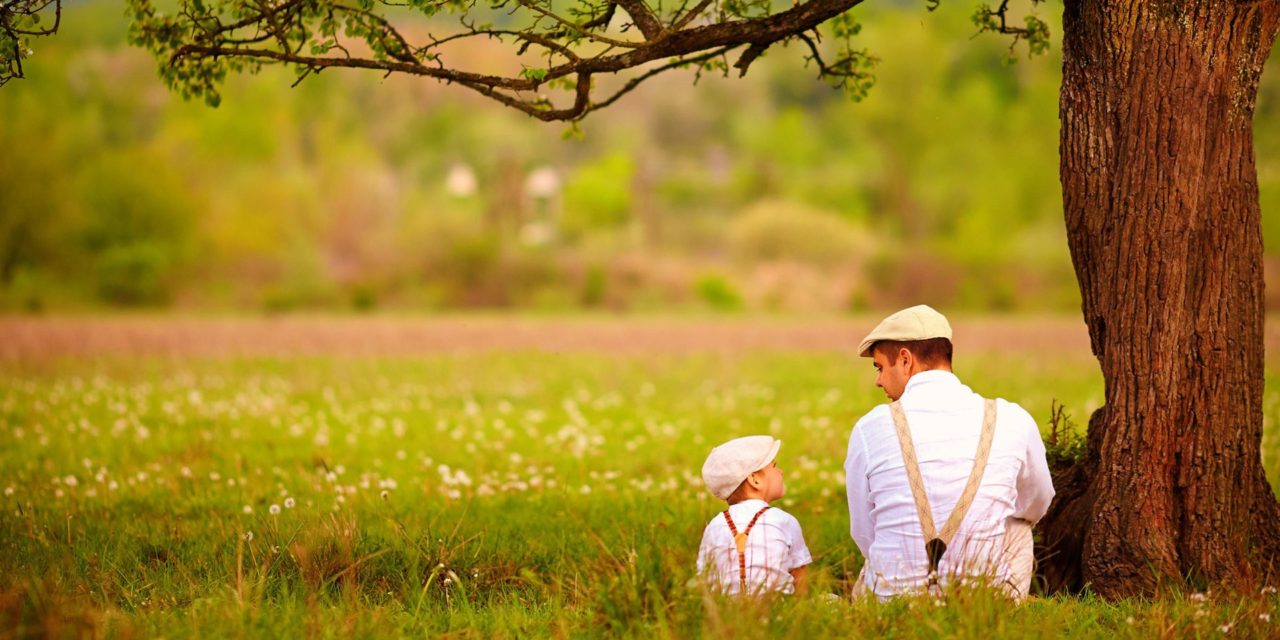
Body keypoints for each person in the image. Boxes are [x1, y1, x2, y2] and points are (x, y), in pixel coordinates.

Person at [844, 305, 1055, 600]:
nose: (878, 380)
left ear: (905, 360)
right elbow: (1038, 502)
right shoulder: (1012, 418)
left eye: (880, 367)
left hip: (892, 603)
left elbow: (864, 532)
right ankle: (1004, 605)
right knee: (1018, 523)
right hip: (982, 602)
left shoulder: (869, 427)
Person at [698, 435, 812, 596]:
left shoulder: (714, 525)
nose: (781, 471)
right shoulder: (784, 521)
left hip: (726, 607)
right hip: (778, 604)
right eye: (774, 466)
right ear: (754, 480)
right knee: (831, 600)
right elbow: (800, 578)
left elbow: (706, 577)